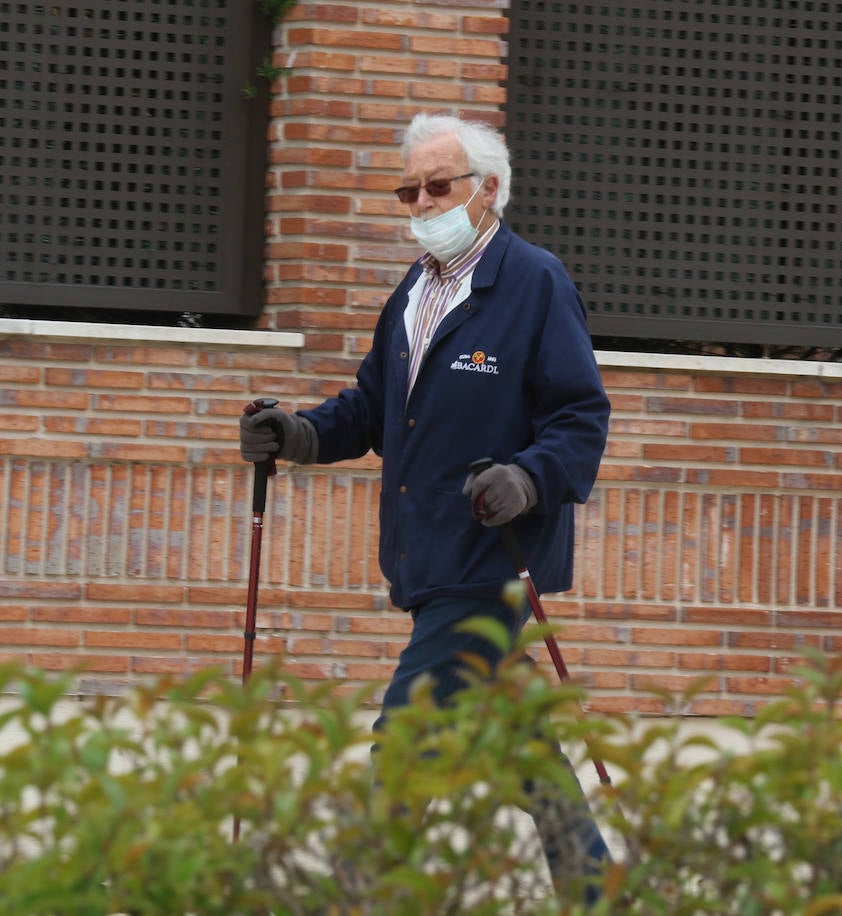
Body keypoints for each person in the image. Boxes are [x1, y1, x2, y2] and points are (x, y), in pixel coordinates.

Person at [239, 112, 612, 904]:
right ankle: (597, 891)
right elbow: (373, 408)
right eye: (408, 189)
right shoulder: (414, 291)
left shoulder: (534, 282)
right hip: (426, 552)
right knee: (515, 740)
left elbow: (580, 416)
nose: (420, 201)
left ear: (488, 191)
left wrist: (529, 477)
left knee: (408, 730)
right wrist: (297, 434)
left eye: (437, 186)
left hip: (494, 558)